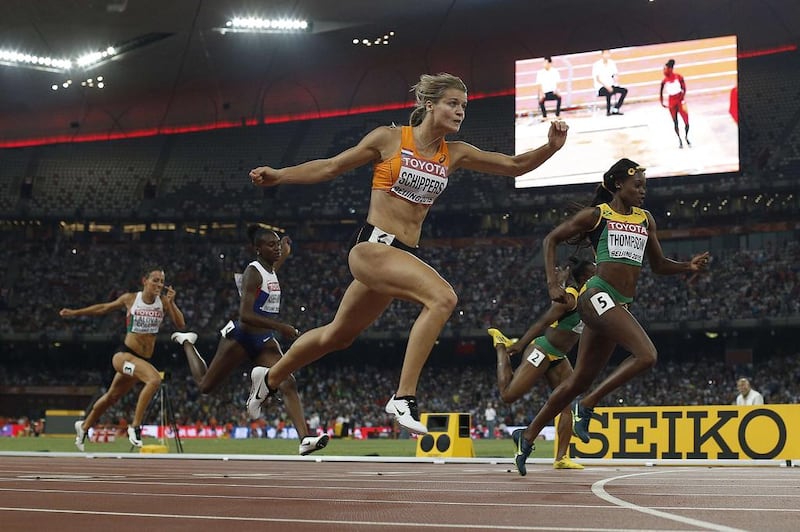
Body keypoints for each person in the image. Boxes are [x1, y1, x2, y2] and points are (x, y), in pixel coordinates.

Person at [247, 72, 569, 434]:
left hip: (399, 255)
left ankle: (269, 378)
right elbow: (331, 166)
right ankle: (404, 396)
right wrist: (280, 175)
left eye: (464, 106)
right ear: (429, 105)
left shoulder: (456, 153)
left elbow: (512, 165)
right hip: (371, 247)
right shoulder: (389, 139)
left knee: (338, 336)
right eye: (452, 103)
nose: (460, 111)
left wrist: (551, 147)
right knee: (443, 297)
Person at [510, 158, 710, 470]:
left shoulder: (646, 220)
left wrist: (688, 266)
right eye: (638, 186)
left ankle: (528, 434)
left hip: (618, 304)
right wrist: (552, 284)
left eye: (645, 186)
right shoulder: (598, 215)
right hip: (597, 294)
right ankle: (587, 407)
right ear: (619, 185)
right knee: (647, 355)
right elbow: (551, 239)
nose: (643, 192)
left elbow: (657, 265)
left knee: (578, 380)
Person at [171, 225, 329, 456]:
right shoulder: (253, 272)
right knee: (206, 386)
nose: (275, 249)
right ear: (257, 249)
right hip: (241, 338)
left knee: (288, 382)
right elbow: (245, 315)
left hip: (264, 340)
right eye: (271, 245)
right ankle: (187, 343)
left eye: (277, 244)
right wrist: (281, 326)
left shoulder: (271, 269)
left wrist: (285, 250)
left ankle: (305, 438)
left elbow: (278, 263)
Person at [60, 265, 186, 451]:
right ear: (145, 281)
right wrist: (75, 313)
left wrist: (172, 303)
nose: (159, 284)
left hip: (140, 362)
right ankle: (135, 427)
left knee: (112, 397)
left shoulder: (163, 302)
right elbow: (103, 308)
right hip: (123, 356)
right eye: (155, 280)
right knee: (153, 379)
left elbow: (181, 324)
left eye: (161, 281)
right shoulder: (131, 299)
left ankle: (84, 426)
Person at [488, 257, 596, 475]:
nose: (598, 275)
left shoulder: (585, 298)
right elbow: (542, 322)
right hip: (543, 350)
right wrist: (519, 345)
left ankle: (562, 457)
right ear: (585, 277)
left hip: (560, 357)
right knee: (509, 395)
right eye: (594, 272)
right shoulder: (571, 299)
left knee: (566, 404)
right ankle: (500, 346)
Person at [659, 59, 690, 148]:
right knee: (675, 122)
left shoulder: (679, 77)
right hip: (672, 102)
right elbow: (660, 92)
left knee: (686, 122)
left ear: (670, 69)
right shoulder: (664, 81)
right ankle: (680, 140)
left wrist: (682, 98)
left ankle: (686, 137)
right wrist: (662, 102)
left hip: (680, 100)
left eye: (665, 69)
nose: (664, 71)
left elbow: (684, 88)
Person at [592, 50, 628, 116]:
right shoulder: (597, 65)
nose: (607, 55)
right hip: (601, 87)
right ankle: (608, 111)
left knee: (624, 91)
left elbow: (615, 74)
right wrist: (607, 86)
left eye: (608, 53)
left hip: (611, 85)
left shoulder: (612, 63)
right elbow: (597, 79)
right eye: (605, 54)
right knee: (608, 91)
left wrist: (616, 78)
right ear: (602, 54)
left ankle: (616, 109)